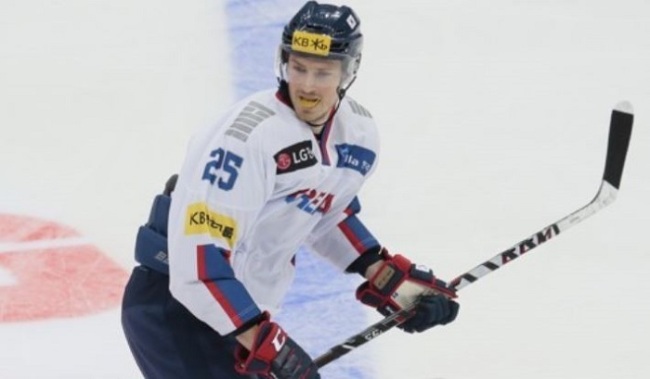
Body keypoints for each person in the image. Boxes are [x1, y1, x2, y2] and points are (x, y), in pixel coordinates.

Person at [121, 1, 460, 378]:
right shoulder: (248, 139)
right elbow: (199, 262)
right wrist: (266, 341)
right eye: (298, 68)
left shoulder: (358, 135)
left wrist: (387, 278)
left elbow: (326, 213)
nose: (308, 86)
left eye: (323, 71)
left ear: (348, 72)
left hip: (238, 313)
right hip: (177, 312)